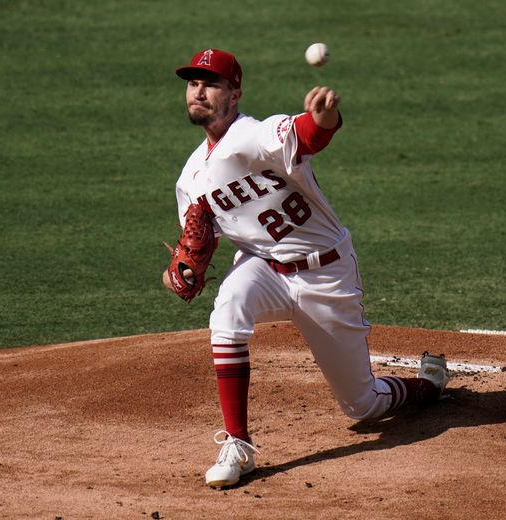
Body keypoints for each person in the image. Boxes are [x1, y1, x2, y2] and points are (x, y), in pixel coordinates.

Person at [169, 48, 449, 488]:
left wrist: (322, 120)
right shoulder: (189, 180)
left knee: (362, 406)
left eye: (212, 83)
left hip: (327, 274)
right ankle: (238, 445)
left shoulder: (255, 134)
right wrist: (179, 274)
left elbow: (306, 135)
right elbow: (195, 250)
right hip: (264, 270)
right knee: (227, 310)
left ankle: (429, 383)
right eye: (192, 83)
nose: (199, 91)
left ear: (236, 92)